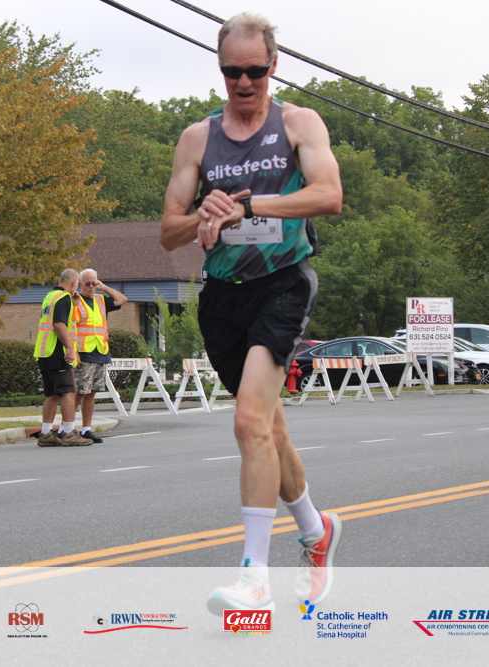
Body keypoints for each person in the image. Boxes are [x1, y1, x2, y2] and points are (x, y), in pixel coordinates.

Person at [160, 12, 343, 614]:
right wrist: (205, 214)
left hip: (283, 284)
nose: (244, 82)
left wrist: (249, 206)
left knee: (246, 422)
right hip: (223, 295)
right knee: (268, 428)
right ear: (220, 69)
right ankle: (316, 531)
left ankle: (253, 578)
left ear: (273, 66)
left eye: (255, 71)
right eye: (232, 71)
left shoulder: (297, 123)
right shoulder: (197, 138)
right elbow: (168, 232)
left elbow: (329, 195)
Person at [33, 269, 93, 447]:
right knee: (69, 391)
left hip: (45, 351)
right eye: (79, 284)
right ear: (74, 283)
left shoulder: (50, 296)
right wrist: (70, 348)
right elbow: (59, 324)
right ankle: (69, 432)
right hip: (58, 351)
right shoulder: (63, 297)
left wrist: (74, 305)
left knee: (53, 394)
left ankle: (45, 433)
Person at [72, 269, 127, 443]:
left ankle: (86, 429)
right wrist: (73, 352)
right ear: (81, 284)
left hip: (100, 351)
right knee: (78, 392)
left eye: (94, 283)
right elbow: (69, 328)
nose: (91, 286)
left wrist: (103, 287)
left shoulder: (101, 300)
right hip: (83, 353)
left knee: (91, 393)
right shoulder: (75, 301)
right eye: (87, 283)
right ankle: (68, 428)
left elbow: (122, 300)